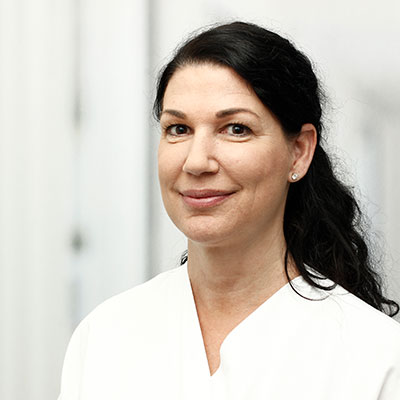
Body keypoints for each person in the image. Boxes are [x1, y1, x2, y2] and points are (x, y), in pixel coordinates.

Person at [58, 21, 400, 399]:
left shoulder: (375, 357)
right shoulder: (104, 337)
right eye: (178, 128)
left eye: (235, 129)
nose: (196, 161)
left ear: (299, 152)